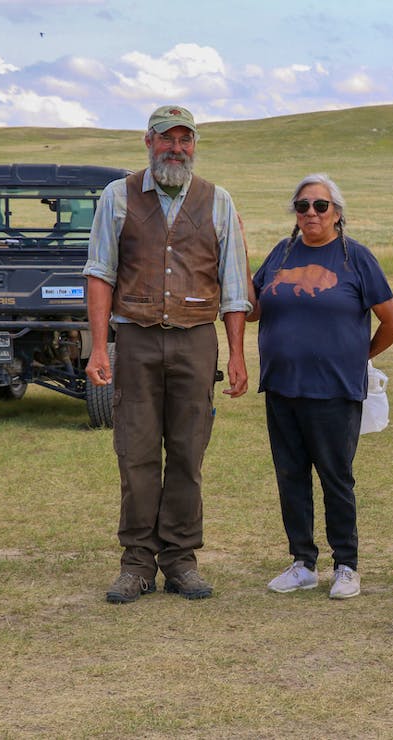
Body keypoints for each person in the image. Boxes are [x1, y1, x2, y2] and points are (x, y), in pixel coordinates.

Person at [85, 104, 251, 604]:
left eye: (185, 139)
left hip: (196, 340)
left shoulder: (217, 200)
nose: (176, 148)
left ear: (195, 145)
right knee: (135, 451)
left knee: (187, 451)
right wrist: (98, 347)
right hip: (134, 338)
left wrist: (238, 354)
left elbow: (235, 286)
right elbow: (100, 274)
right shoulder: (117, 197)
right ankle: (136, 562)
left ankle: (180, 559)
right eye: (166, 138)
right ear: (148, 142)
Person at [249, 173, 393, 600]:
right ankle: (302, 563)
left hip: (334, 391)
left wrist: (358, 358)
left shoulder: (356, 259)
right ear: (295, 214)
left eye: (320, 205)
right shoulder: (282, 253)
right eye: (303, 206)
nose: (311, 213)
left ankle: (346, 566)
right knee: (290, 475)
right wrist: (237, 260)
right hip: (281, 386)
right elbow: (252, 309)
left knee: (336, 478)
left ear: (337, 212)